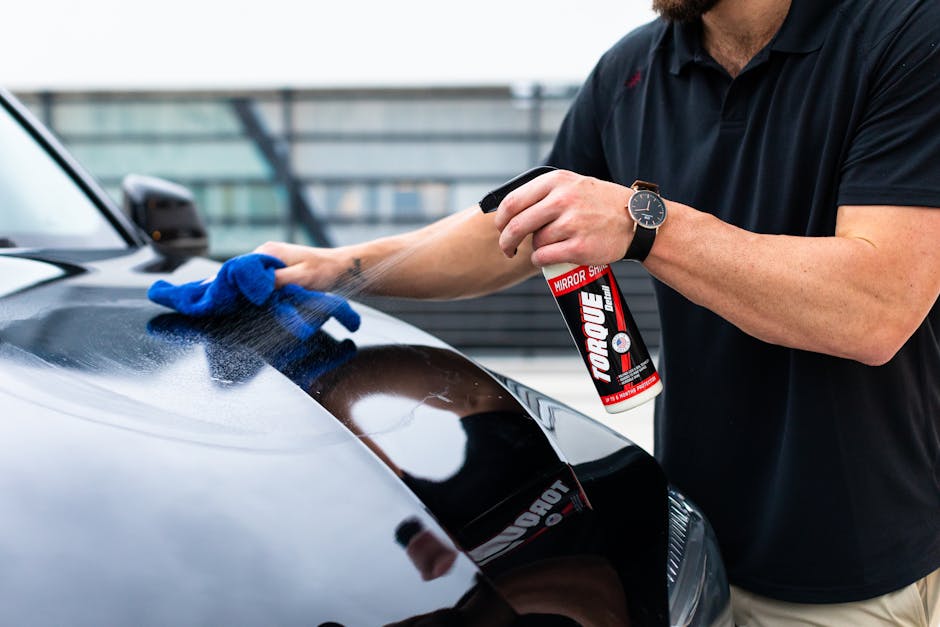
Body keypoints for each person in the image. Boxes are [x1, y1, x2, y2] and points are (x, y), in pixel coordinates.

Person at [256, 0, 940, 624]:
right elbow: (511, 229)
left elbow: (874, 308)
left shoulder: (908, 33)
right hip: (689, 548)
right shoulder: (634, 70)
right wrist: (336, 269)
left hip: (852, 571)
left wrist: (645, 225)